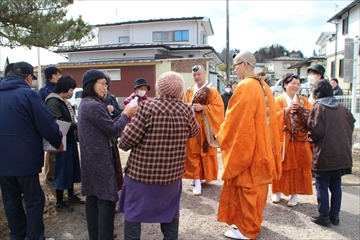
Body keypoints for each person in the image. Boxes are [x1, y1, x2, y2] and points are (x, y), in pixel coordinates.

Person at [118, 71, 200, 240]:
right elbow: (194, 132)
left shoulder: (147, 107)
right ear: (179, 91)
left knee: (133, 213)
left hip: (141, 175)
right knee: (170, 213)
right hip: (171, 176)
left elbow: (126, 142)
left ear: (159, 89)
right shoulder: (186, 110)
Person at [216, 51, 282, 239]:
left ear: (245, 64)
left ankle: (247, 230)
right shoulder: (265, 86)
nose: (234, 70)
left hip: (250, 149)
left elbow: (235, 121)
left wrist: (221, 135)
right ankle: (250, 225)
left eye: (235, 65)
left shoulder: (245, 86)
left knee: (247, 189)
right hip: (263, 148)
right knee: (257, 190)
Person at [0, 61, 63, 240]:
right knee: (33, 200)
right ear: (28, 77)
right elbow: (46, 123)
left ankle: (17, 236)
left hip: (2, 161)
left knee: (11, 200)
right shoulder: (28, 95)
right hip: (24, 159)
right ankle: (35, 237)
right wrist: (57, 140)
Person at [77, 69, 137, 240]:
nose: (105, 88)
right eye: (102, 84)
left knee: (94, 198)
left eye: (106, 85)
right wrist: (126, 113)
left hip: (92, 158)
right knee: (105, 200)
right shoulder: (94, 105)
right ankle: (104, 236)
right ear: (90, 84)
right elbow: (112, 129)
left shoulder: (87, 103)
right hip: (99, 159)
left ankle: (96, 235)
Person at [308, 80, 355, 227]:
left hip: (325, 155)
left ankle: (324, 217)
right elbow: (351, 124)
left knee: (321, 185)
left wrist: (309, 138)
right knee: (336, 186)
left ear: (317, 93)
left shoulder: (319, 107)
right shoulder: (342, 108)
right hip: (342, 154)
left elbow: (315, 131)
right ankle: (335, 216)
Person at [271, 73, 313, 207]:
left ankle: (294, 194)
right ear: (285, 84)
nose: (295, 86)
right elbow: (271, 118)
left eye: (298, 84)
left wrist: (303, 111)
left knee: (298, 167)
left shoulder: (304, 100)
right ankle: (277, 191)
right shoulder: (277, 101)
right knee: (281, 165)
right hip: (283, 138)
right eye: (293, 83)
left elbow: (311, 117)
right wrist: (286, 110)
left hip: (299, 140)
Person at [182, 65, 224, 196]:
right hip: (192, 127)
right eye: (194, 75)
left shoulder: (212, 91)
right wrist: (190, 106)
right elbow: (183, 105)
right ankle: (196, 179)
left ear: (205, 73)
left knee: (204, 153)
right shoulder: (189, 90)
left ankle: (201, 177)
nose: (197, 77)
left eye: (199, 74)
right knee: (192, 153)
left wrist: (204, 108)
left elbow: (218, 108)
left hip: (205, 128)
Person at [45, 75, 84, 213]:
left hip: (70, 139)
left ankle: (71, 195)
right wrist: (75, 126)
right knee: (62, 170)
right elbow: (57, 121)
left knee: (71, 168)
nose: (72, 92)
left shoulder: (63, 101)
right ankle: (59, 201)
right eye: (71, 89)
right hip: (61, 140)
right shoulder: (53, 101)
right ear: (66, 89)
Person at [39, 66, 63, 185]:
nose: (58, 77)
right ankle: (50, 175)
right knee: (51, 151)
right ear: (49, 76)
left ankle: (57, 175)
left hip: (60, 122)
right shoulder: (44, 91)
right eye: (56, 74)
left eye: (59, 74)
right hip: (49, 122)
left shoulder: (59, 89)